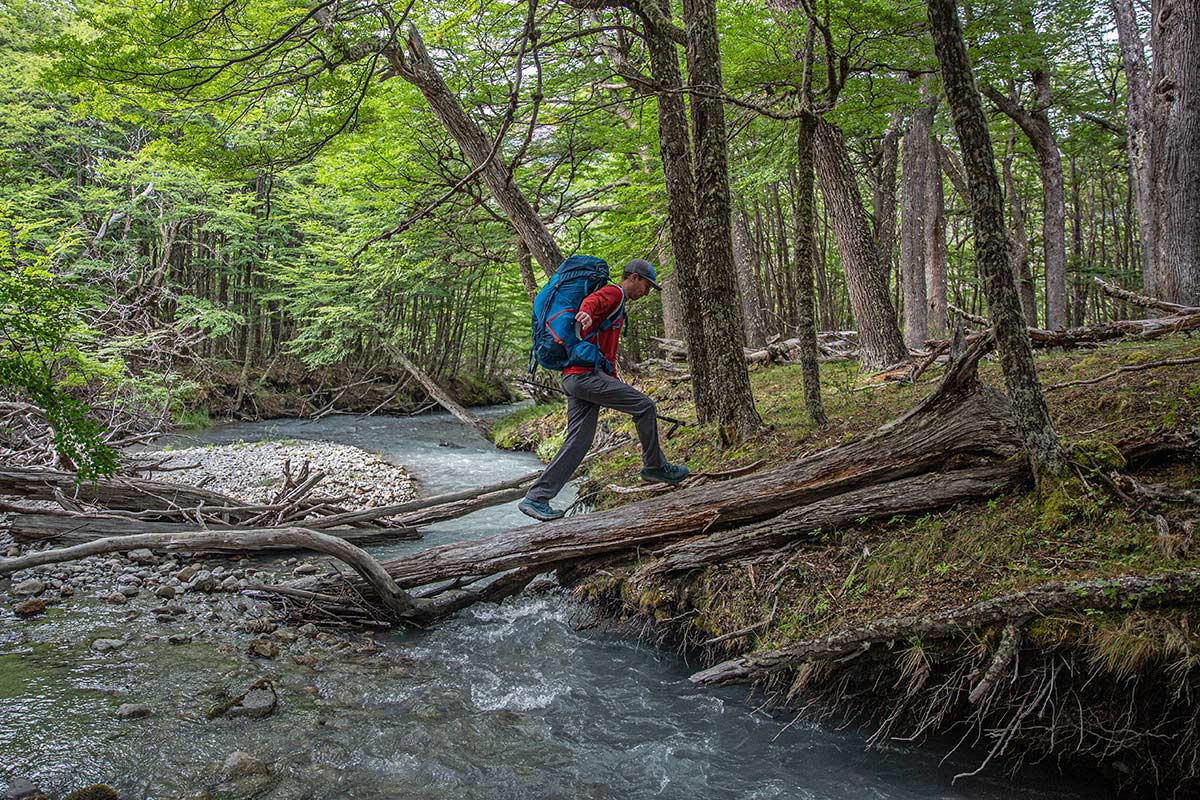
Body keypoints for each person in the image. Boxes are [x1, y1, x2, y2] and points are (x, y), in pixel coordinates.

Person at [518, 259, 689, 522]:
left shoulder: (619, 302)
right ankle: (655, 467)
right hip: (584, 377)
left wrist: (612, 378)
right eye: (646, 285)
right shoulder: (614, 293)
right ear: (633, 278)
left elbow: (602, 345)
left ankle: (536, 498)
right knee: (644, 406)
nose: (647, 292)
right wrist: (585, 312)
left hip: (578, 378)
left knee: (580, 440)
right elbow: (594, 302)